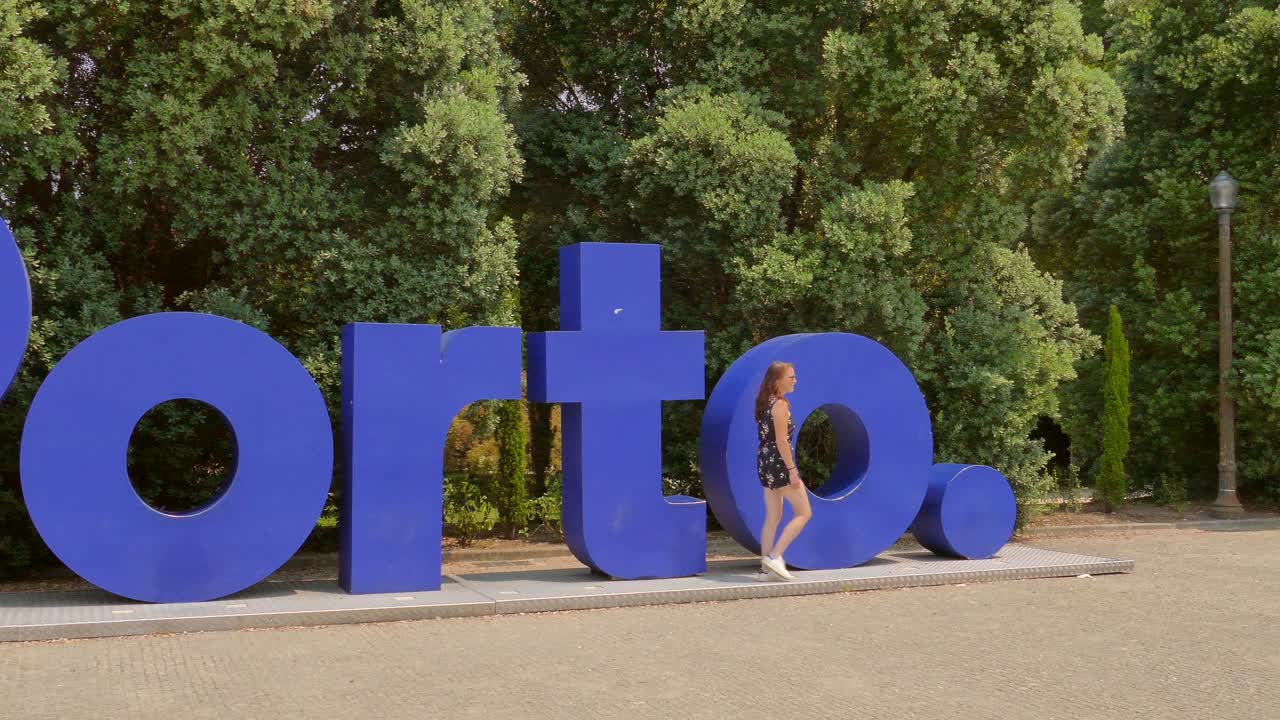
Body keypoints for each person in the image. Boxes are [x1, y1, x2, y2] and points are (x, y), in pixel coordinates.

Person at [755, 361, 812, 581]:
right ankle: (775, 556)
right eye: (791, 377)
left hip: (765, 462)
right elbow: (781, 441)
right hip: (779, 463)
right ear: (778, 381)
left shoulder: (763, 403)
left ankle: (765, 570)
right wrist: (792, 470)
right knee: (804, 512)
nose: (795, 380)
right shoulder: (780, 405)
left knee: (773, 517)